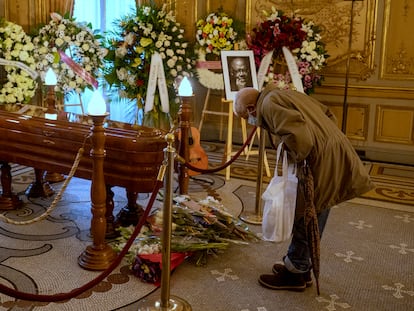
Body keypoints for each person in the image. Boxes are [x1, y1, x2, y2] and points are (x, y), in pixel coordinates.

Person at [234, 85, 375, 292]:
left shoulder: (269, 104)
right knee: (315, 210)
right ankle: (301, 266)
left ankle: (296, 272)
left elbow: (301, 139)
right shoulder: (283, 93)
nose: (250, 122)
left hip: (319, 159)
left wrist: (297, 157)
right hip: (331, 151)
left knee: (307, 214)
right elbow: (327, 113)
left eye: (246, 117)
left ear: (251, 108)